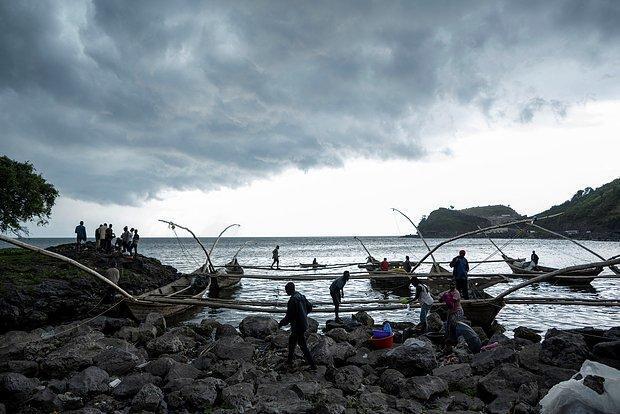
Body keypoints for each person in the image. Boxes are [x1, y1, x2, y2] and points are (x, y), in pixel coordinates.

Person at [278, 282, 317, 370]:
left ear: (289, 290)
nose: (286, 292)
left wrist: (281, 324)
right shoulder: (301, 296)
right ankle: (289, 360)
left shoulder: (292, 300)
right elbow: (310, 307)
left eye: (286, 290)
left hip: (297, 326)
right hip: (303, 324)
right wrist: (303, 315)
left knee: (302, 345)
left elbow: (289, 316)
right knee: (292, 341)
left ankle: (312, 365)